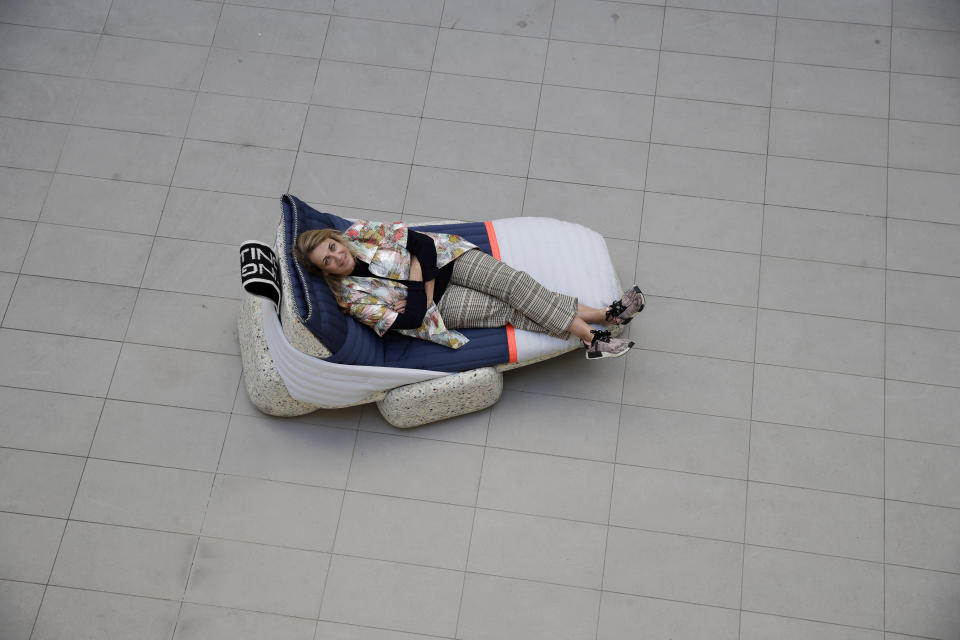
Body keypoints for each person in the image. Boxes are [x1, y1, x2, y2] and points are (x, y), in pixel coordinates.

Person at [293, 220, 644, 359]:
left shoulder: (360, 233)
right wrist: (419, 277)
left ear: (335, 239)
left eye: (332, 248)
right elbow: (412, 318)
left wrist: (418, 282)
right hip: (439, 307)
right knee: (508, 310)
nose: (336, 258)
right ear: (322, 271)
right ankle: (597, 329)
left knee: (515, 284)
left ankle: (598, 328)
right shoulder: (350, 298)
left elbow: (424, 244)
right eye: (326, 261)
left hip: (450, 256)